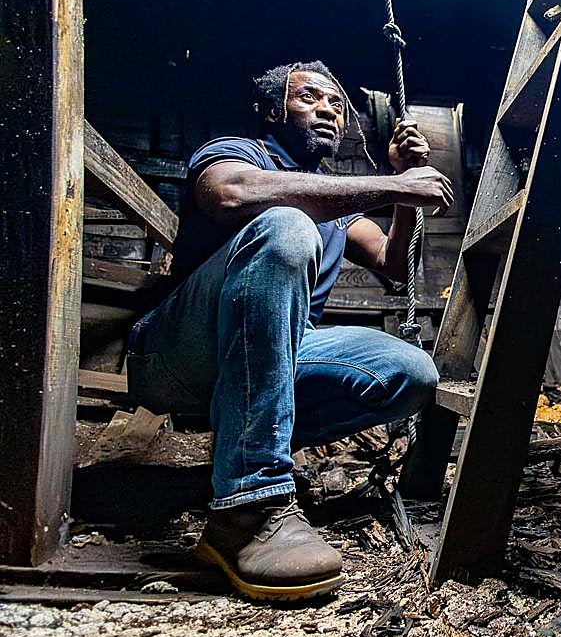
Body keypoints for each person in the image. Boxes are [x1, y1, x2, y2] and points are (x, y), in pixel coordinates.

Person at [126, 61, 454, 600]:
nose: (328, 109)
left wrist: (400, 198)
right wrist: (391, 183)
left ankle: (241, 448)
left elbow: (397, 269)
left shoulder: (338, 212)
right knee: (285, 223)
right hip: (178, 353)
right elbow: (229, 194)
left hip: (271, 355)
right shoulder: (240, 153)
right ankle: (250, 506)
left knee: (410, 374)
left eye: (337, 106)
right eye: (310, 98)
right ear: (274, 109)